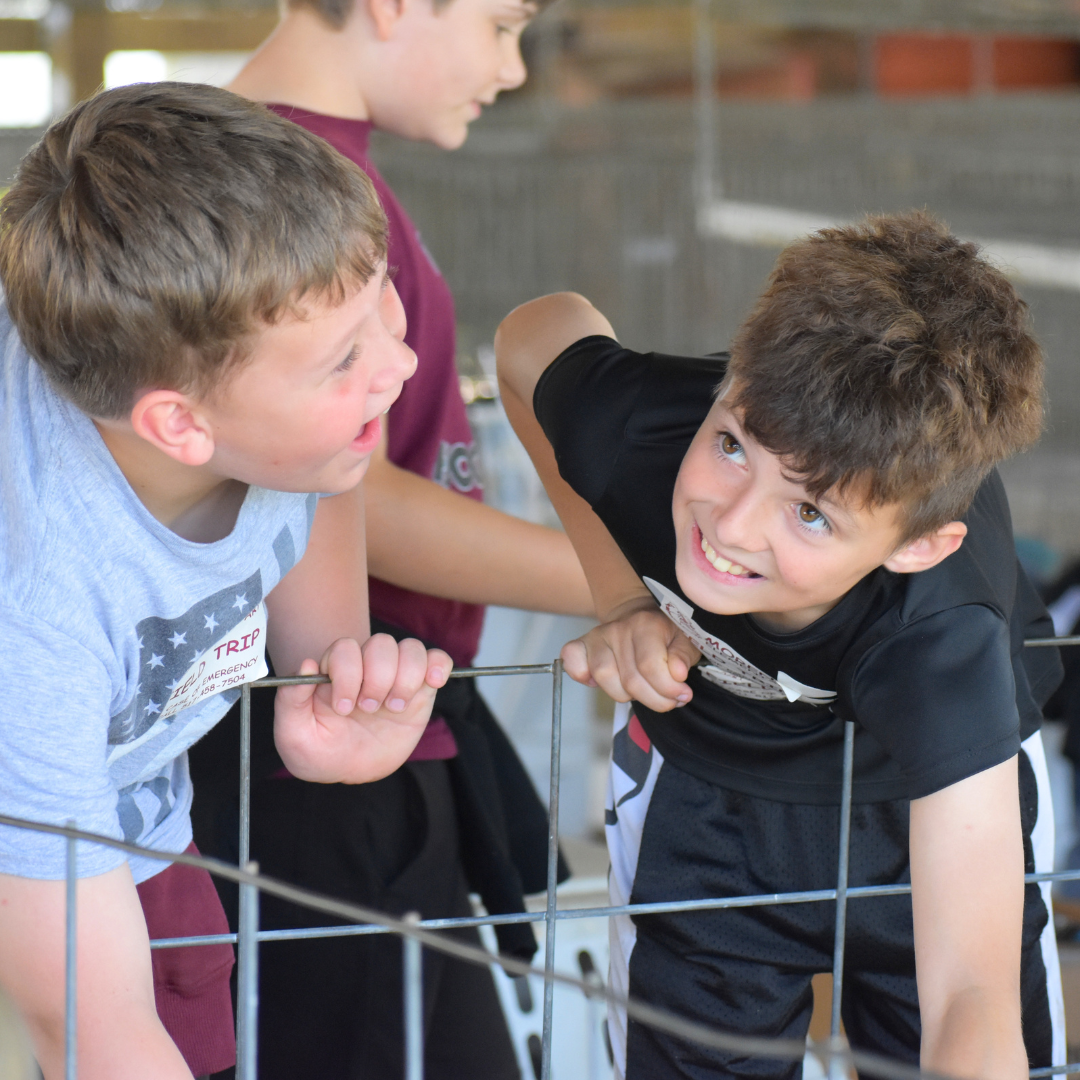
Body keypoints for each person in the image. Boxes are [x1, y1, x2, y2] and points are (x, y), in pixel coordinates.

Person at [496, 211, 1066, 1080]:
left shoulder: (944, 643)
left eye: (809, 512)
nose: (731, 527)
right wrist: (616, 591)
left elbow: (969, 998)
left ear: (918, 545)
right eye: (731, 445)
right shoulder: (643, 429)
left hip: (923, 801)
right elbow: (529, 337)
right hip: (708, 784)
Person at [0, 81, 451, 1080]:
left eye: (383, 301)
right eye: (345, 361)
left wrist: (322, 661)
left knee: (186, 1001)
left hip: (128, 805)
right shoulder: (37, 623)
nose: (404, 360)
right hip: (43, 797)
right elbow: (93, 1034)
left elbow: (325, 468)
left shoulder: (255, 404)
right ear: (180, 427)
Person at [185, 0, 593, 1076]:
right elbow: (335, 476)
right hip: (305, 726)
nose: (511, 68)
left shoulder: (297, 165)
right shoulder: (284, 181)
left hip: (359, 701)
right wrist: (617, 580)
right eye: (505, 25)